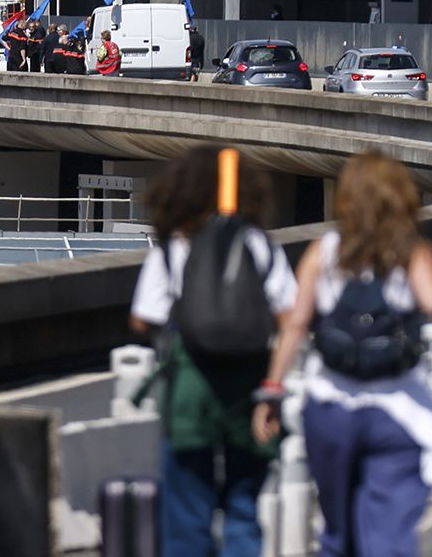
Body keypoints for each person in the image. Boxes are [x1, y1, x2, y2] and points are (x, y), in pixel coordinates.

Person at [253, 151, 432, 557]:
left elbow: (295, 325)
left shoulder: (324, 250)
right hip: (395, 411)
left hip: (330, 409)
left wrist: (272, 389)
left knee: (337, 532)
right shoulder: (412, 250)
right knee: (387, 536)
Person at [130, 145, 296, 557]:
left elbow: (142, 319)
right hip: (248, 385)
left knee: (186, 504)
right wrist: (273, 384)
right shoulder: (258, 245)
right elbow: (290, 317)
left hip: (190, 387)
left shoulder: (173, 250)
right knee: (244, 499)